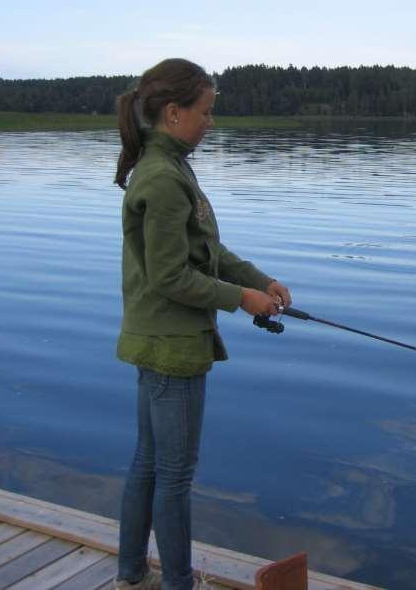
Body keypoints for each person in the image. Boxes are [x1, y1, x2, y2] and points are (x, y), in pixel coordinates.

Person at [112, 58, 291, 590]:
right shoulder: (164, 177)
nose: (211, 123)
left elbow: (205, 251)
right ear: (174, 113)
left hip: (155, 341)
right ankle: (180, 583)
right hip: (172, 347)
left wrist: (261, 279)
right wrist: (243, 299)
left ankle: (130, 573)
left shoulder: (167, 165)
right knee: (173, 475)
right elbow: (170, 276)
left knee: (148, 463)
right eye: (206, 112)